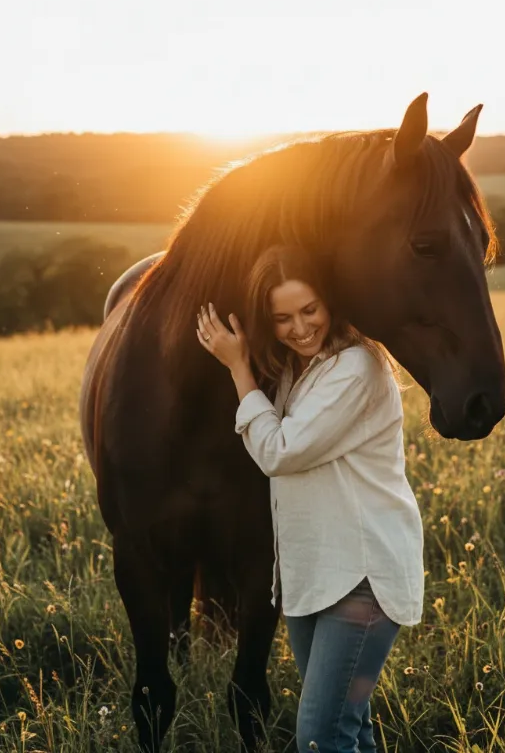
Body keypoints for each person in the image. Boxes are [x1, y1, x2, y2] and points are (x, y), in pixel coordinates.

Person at [196, 244, 424, 753]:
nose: (299, 328)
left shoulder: (357, 368)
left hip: (361, 576)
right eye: (281, 318)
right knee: (350, 727)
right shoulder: (298, 371)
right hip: (310, 575)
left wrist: (238, 368)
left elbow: (280, 452)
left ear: (331, 302)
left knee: (321, 737)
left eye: (309, 310)